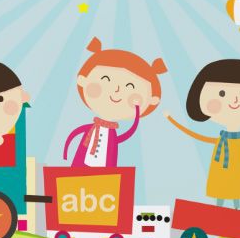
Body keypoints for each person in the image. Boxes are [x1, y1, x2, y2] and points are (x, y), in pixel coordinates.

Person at [165, 59, 240, 208]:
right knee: (221, 184)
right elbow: (194, 135)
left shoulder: (239, 140)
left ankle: (236, 208)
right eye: (221, 93)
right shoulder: (223, 139)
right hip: (220, 166)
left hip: (239, 164)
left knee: (237, 184)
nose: (235, 101)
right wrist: (171, 120)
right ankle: (219, 207)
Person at [63, 37, 166, 167]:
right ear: (82, 80)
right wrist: (65, 152)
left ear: (151, 100)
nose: (117, 90)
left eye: (130, 86)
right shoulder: (91, 129)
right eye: (106, 79)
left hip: (106, 174)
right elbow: (74, 134)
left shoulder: (111, 135)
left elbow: (130, 132)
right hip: (79, 169)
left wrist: (137, 110)